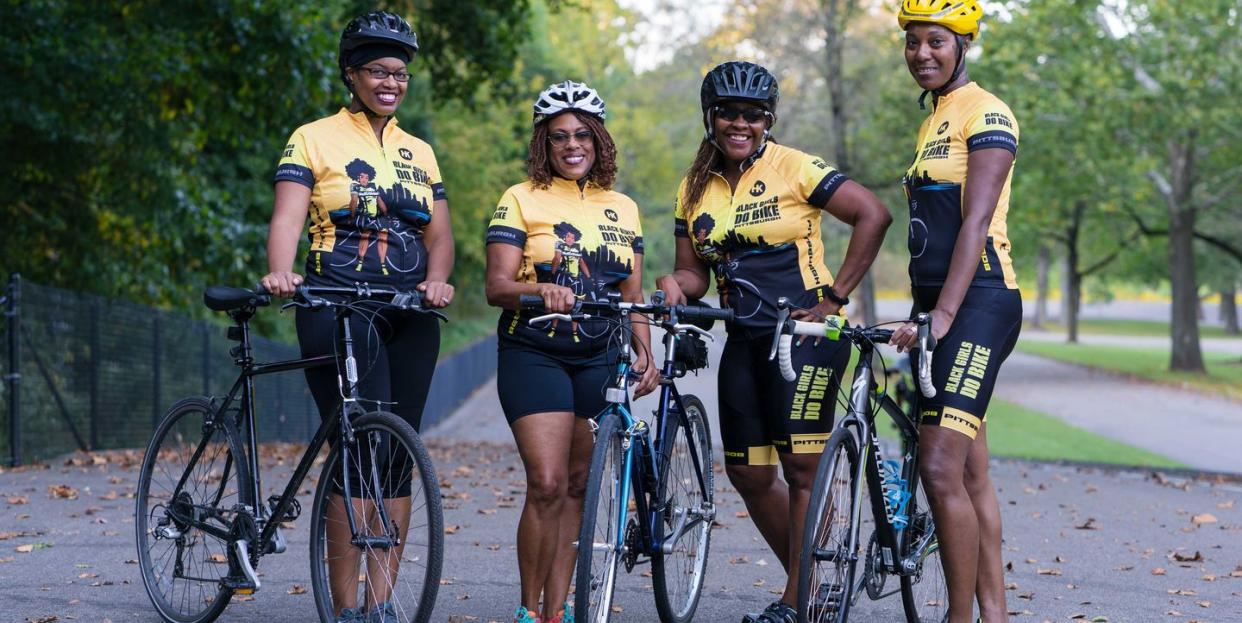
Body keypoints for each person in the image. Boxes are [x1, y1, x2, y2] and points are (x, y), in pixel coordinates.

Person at [656, 61, 892, 623]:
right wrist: (671, 283)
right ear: (709, 117)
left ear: (769, 119)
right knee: (748, 474)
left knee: (800, 470)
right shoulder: (693, 189)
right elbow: (694, 275)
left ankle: (798, 599)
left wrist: (834, 297)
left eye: (753, 114)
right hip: (743, 337)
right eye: (728, 113)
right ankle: (817, 574)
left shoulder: (794, 166)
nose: (741, 123)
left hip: (805, 336)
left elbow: (872, 215)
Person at [259, 11, 455, 623]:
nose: (391, 81)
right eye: (378, 70)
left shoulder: (418, 150)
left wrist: (436, 279)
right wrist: (280, 270)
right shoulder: (313, 137)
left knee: (398, 453)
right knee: (357, 447)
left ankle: (382, 603)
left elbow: (440, 234)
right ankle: (346, 608)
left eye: (400, 72)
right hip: (334, 302)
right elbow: (289, 215)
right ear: (352, 75)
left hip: (407, 310)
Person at [485, 80, 660, 623]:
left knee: (579, 487)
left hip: (600, 356)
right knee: (547, 483)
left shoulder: (623, 208)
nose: (571, 145)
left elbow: (632, 295)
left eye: (582, 134)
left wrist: (643, 349)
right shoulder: (520, 198)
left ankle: (557, 612)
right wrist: (540, 289)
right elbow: (495, 286)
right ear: (544, 143)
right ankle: (527, 609)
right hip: (534, 352)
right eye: (558, 136)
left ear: (599, 140)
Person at [889, 2, 1022, 622]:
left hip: (982, 303)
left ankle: (958, 618)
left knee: (939, 466)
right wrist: (919, 314)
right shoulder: (935, 117)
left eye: (936, 41)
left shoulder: (987, 113)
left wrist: (940, 316)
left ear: (962, 43)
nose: (922, 54)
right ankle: (992, 614)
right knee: (969, 474)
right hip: (942, 308)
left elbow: (974, 221)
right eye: (913, 43)